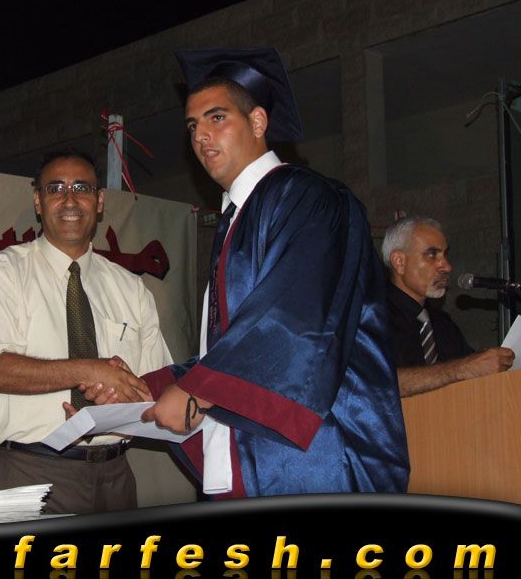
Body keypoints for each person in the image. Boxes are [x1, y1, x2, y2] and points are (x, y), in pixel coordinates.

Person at [141, 47, 410, 497]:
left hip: (321, 461)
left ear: (258, 122)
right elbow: (235, 346)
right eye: (192, 126)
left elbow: (295, 324)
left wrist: (197, 392)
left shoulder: (311, 199)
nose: (201, 135)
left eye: (216, 118)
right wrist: (142, 390)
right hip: (258, 463)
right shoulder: (238, 217)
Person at [0, 149, 172, 514]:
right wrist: (89, 370)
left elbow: (156, 388)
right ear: (38, 201)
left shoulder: (131, 288)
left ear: (100, 201)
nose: (69, 200)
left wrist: (123, 402)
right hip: (28, 473)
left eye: (81, 188)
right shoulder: (4, 273)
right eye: (55, 188)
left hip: (115, 476)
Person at [382, 216, 514, 397]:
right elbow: (377, 383)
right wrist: (463, 368)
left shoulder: (443, 324)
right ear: (399, 261)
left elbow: (472, 375)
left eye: (445, 255)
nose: (447, 267)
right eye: (432, 255)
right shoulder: (369, 317)